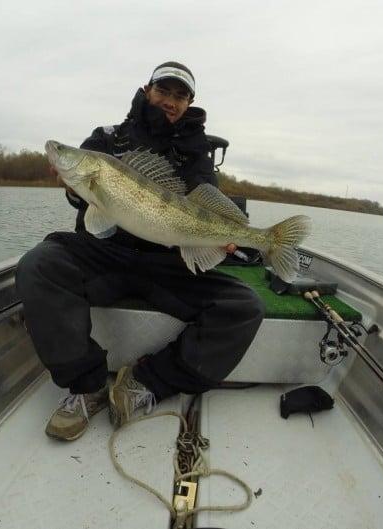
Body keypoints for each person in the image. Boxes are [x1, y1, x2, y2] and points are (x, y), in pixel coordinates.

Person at [16, 61, 265, 441]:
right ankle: (88, 385)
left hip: (167, 264)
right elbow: (82, 201)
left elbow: (205, 202)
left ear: (189, 103)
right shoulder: (107, 139)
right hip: (106, 255)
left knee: (243, 307)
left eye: (180, 95)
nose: (170, 101)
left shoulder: (197, 153)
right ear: (147, 90)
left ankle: (147, 382)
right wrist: (72, 187)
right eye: (163, 91)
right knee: (40, 266)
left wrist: (223, 238)